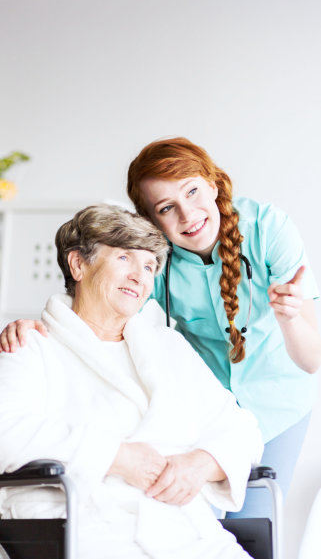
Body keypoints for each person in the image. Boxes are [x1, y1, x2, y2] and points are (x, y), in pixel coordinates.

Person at [1, 137, 320, 518]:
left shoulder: (267, 229)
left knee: (254, 518)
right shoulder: (154, 261)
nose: (187, 216)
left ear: (214, 186)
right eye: (167, 208)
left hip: (277, 398)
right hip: (211, 396)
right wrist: (39, 326)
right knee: (204, 516)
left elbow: (313, 359)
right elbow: (101, 310)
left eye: (193, 192)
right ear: (152, 219)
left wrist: (289, 317)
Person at [0, 204, 263, 559]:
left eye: (150, 266)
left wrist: (200, 463)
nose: (141, 276)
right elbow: (6, 432)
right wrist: (115, 457)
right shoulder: (31, 345)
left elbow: (241, 428)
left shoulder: (168, 347)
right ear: (78, 265)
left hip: (182, 527)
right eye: (124, 258)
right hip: (86, 525)